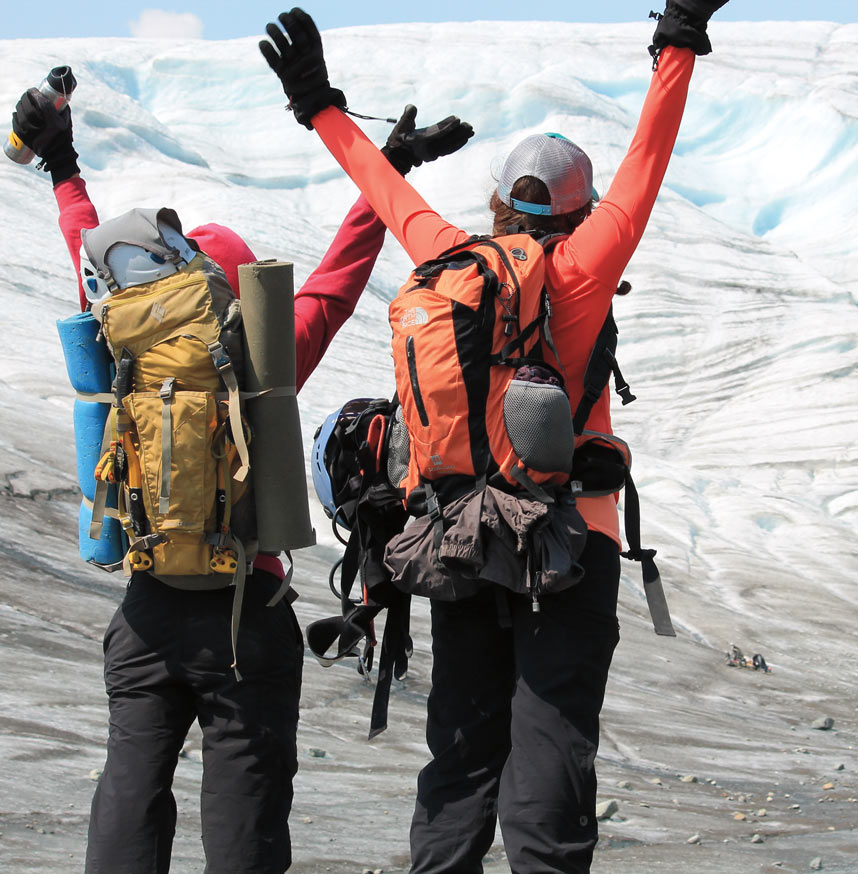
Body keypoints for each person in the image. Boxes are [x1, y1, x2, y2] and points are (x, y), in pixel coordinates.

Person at [258, 3, 728, 871]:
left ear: (497, 209)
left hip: (461, 544)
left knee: (462, 765)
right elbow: (646, 163)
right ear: (580, 215)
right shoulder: (585, 268)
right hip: (570, 548)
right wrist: (678, 43)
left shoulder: (448, 257)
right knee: (547, 774)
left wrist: (319, 102)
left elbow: (385, 189)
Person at [12, 81, 471, 873]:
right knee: (246, 809)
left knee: (130, 789)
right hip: (246, 612)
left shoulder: (127, 342)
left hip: (148, 607)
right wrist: (389, 169)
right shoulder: (272, 349)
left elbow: (83, 246)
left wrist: (61, 162)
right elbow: (340, 273)